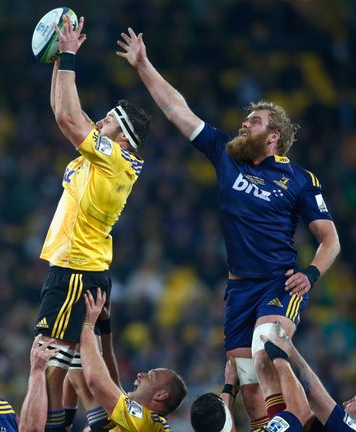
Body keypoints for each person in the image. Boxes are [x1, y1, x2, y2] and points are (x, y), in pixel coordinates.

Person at [116, 27, 341, 429]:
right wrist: (143, 65)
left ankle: (300, 424)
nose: (243, 123)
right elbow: (176, 110)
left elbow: (330, 240)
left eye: (253, 121)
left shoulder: (301, 180)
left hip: (277, 281)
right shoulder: (226, 155)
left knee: (267, 347)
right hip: (239, 288)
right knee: (250, 383)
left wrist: (310, 274)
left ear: (274, 137)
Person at [34, 14, 151, 432]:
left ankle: (49, 428)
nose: (99, 120)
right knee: (70, 365)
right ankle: (71, 425)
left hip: (76, 270)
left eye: (109, 121)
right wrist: (56, 60)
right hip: (87, 267)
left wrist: (67, 55)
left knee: (47, 359)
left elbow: (70, 119)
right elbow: (62, 110)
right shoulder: (106, 157)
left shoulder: (116, 161)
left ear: (124, 137)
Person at [81, 289, 188, 432]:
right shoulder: (137, 419)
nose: (140, 375)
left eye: (151, 376)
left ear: (160, 395)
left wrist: (88, 326)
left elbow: (96, 381)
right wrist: (105, 327)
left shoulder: (148, 423)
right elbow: (113, 382)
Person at [265, 323, 356, 432]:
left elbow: (312, 390)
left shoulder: (353, 430)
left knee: (292, 417)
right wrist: (288, 347)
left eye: (355, 399)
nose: (346, 402)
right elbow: (303, 410)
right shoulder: (336, 429)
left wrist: (279, 355)